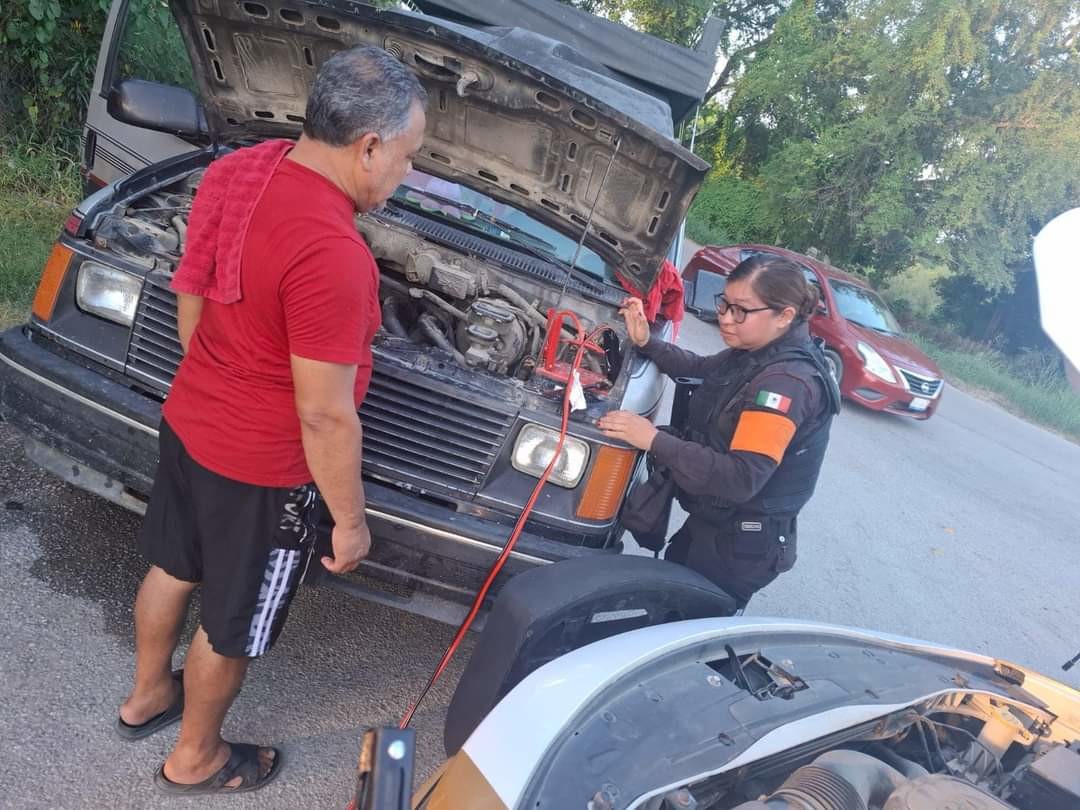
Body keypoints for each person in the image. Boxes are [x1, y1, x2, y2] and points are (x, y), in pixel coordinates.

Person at [115, 46, 427, 795]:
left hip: (191, 422)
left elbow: (194, 283)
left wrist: (216, 375)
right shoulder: (334, 254)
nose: (408, 174)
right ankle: (196, 758)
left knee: (172, 564)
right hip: (263, 471)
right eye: (411, 157)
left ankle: (147, 696)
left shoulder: (238, 172)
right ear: (370, 146)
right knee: (233, 624)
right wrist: (349, 524)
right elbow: (324, 415)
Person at [599, 254, 841, 608]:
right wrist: (647, 341)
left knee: (680, 632)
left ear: (784, 315)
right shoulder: (757, 351)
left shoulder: (786, 384)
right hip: (714, 526)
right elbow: (700, 369)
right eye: (724, 304)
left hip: (740, 548)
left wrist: (653, 439)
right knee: (663, 602)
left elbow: (741, 477)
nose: (725, 318)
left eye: (741, 310)